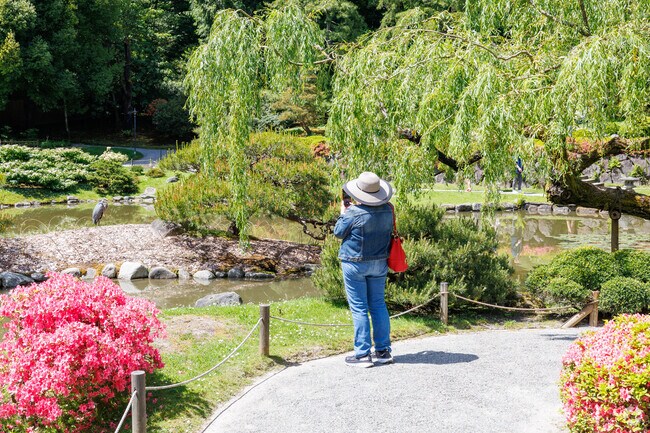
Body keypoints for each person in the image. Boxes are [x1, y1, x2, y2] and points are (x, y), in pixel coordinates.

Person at [334, 171, 395, 368]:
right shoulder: (389, 209)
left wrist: (343, 213)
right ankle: (383, 351)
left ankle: (362, 355)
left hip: (355, 263)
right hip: (380, 263)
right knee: (378, 305)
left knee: (359, 307)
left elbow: (338, 233)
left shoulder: (352, 213)